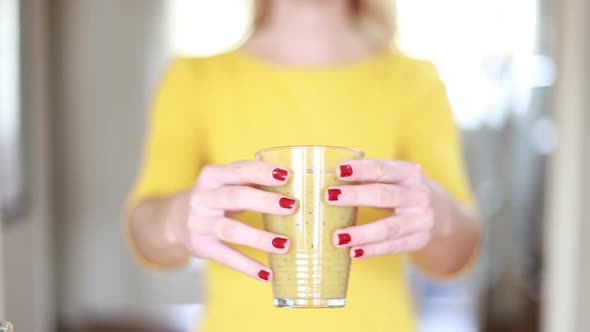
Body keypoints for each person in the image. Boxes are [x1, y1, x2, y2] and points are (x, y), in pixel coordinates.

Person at [127, 0, 481, 331]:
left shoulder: (414, 81)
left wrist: (442, 215)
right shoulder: (194, 79)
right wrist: (178, 219)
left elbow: (456, 256)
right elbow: (145, 237)